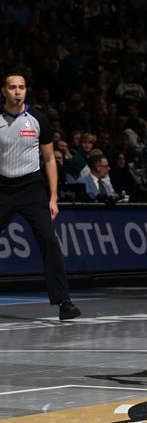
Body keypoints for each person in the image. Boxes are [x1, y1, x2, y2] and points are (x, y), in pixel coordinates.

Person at [0, 73, 81, 320]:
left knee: (48, 238)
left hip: (32, 188)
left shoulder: (38, 119)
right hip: (2, 187)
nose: (17, 92)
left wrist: (53, 197)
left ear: (26, 91)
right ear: (4, 91)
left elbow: (49, 160)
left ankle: (64, 303)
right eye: (12, 87)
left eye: (21, 87)